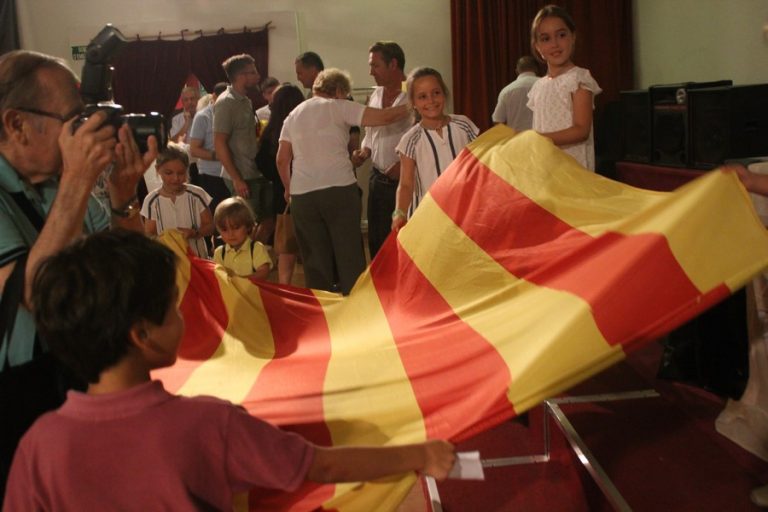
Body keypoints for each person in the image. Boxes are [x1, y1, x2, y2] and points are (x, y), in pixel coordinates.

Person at [2, 229, 456, 510]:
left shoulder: (40, 445)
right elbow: (322, 466)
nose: (182, 316)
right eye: (172, 309)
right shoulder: (208, 425)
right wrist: (419, 455)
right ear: (142, 335)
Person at [0, 50, 157, 503]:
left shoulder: (63, 183)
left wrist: (124, 199)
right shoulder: (67, 183)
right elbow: (35, 293)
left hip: (78, 382)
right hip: (15, 398)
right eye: (74, 119)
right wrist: (77, 181)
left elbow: (122, 279)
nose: (84, 132)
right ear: (16, 124)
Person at [277, 68, 409, 294]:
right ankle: (355, 306)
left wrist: (289, 188)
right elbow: (384, 117)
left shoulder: (293, 115)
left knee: (314, 259)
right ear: (338, 91)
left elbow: (282, 159)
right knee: (348, 252)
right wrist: (412, 103)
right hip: (339, 190)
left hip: (303, 194)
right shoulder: (338, 106)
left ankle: (324, 309)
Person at [391, 67, 479, 232]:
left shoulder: (464, 125)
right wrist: (399, 213)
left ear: (444, 94)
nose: (431, 100)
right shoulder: (411, 140)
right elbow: (406, 184)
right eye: (422, 97)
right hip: (428, 220)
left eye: (436, 93)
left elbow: (480, 165)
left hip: (465, 214)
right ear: (414, 103)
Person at [351, 41, 412, 259]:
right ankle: (381, 287)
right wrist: (365, 151)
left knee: (403, 240)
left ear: (393, 64)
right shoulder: (375, 95)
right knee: (377, 240)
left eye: (375, 66)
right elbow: (370, 133)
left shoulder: (414, 95)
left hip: (404, 183)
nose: (370, 72)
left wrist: (406, 166)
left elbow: (423, 135)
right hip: (377, 179)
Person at [527, 4, 602, 171]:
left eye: (561, 35)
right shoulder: (538, 86)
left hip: (573, 168)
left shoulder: (579, 78)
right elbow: (539, 125)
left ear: (573, 37)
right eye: (546, 39)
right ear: (537, 46)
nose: (555, 44)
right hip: (547, 168)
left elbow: (581, 130)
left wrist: (539, 139)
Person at [214, 54, 273, 243]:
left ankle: (255, 261)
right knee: (243, 227)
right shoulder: (226, 102)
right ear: (241, 75)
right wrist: (237, 178)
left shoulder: (245, 100)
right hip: (242, 174)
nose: (258, 76)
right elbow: (219, 142)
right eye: (253, 72)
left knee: (267, 219)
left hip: (256, 171)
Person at [256, 84, 305, 285]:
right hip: (306, 187)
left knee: (285, 241)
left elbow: (261, 161)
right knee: (310, 238)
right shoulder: (304, 127)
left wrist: (279, 179)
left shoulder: (271, 130)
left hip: (280, 190)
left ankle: (285, 284)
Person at [141, 144, 214, 258]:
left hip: (197, 259)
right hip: (168, 261)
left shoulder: (197, 195)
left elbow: (210, 227)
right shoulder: (151, 201)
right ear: (158, 170)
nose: (175, 178)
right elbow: (149, 234)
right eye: (169, 173)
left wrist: (194, 233)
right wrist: (167, 240)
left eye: (180, 173)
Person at [189, 81, 229, 218]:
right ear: (213, 96)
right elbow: (194, 150)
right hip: (212, 175)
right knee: (217, 216)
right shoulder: (203, 117)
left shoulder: (232, 113)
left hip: (232, 172)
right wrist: (220, 156)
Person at [213, 197, 272, 280]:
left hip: (252, 292)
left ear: (248, 226)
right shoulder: (219, 253)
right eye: (224, 230)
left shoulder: (256, 248)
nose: (231, 234)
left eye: (236, 228)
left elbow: (263, 272)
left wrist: (240, 281)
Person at [492, 55, 540, 132]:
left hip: (516, 139)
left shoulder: (506, 91)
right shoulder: (546, 86)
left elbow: (498, 120)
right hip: (543, 139)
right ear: (536, 69)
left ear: (517, 71)